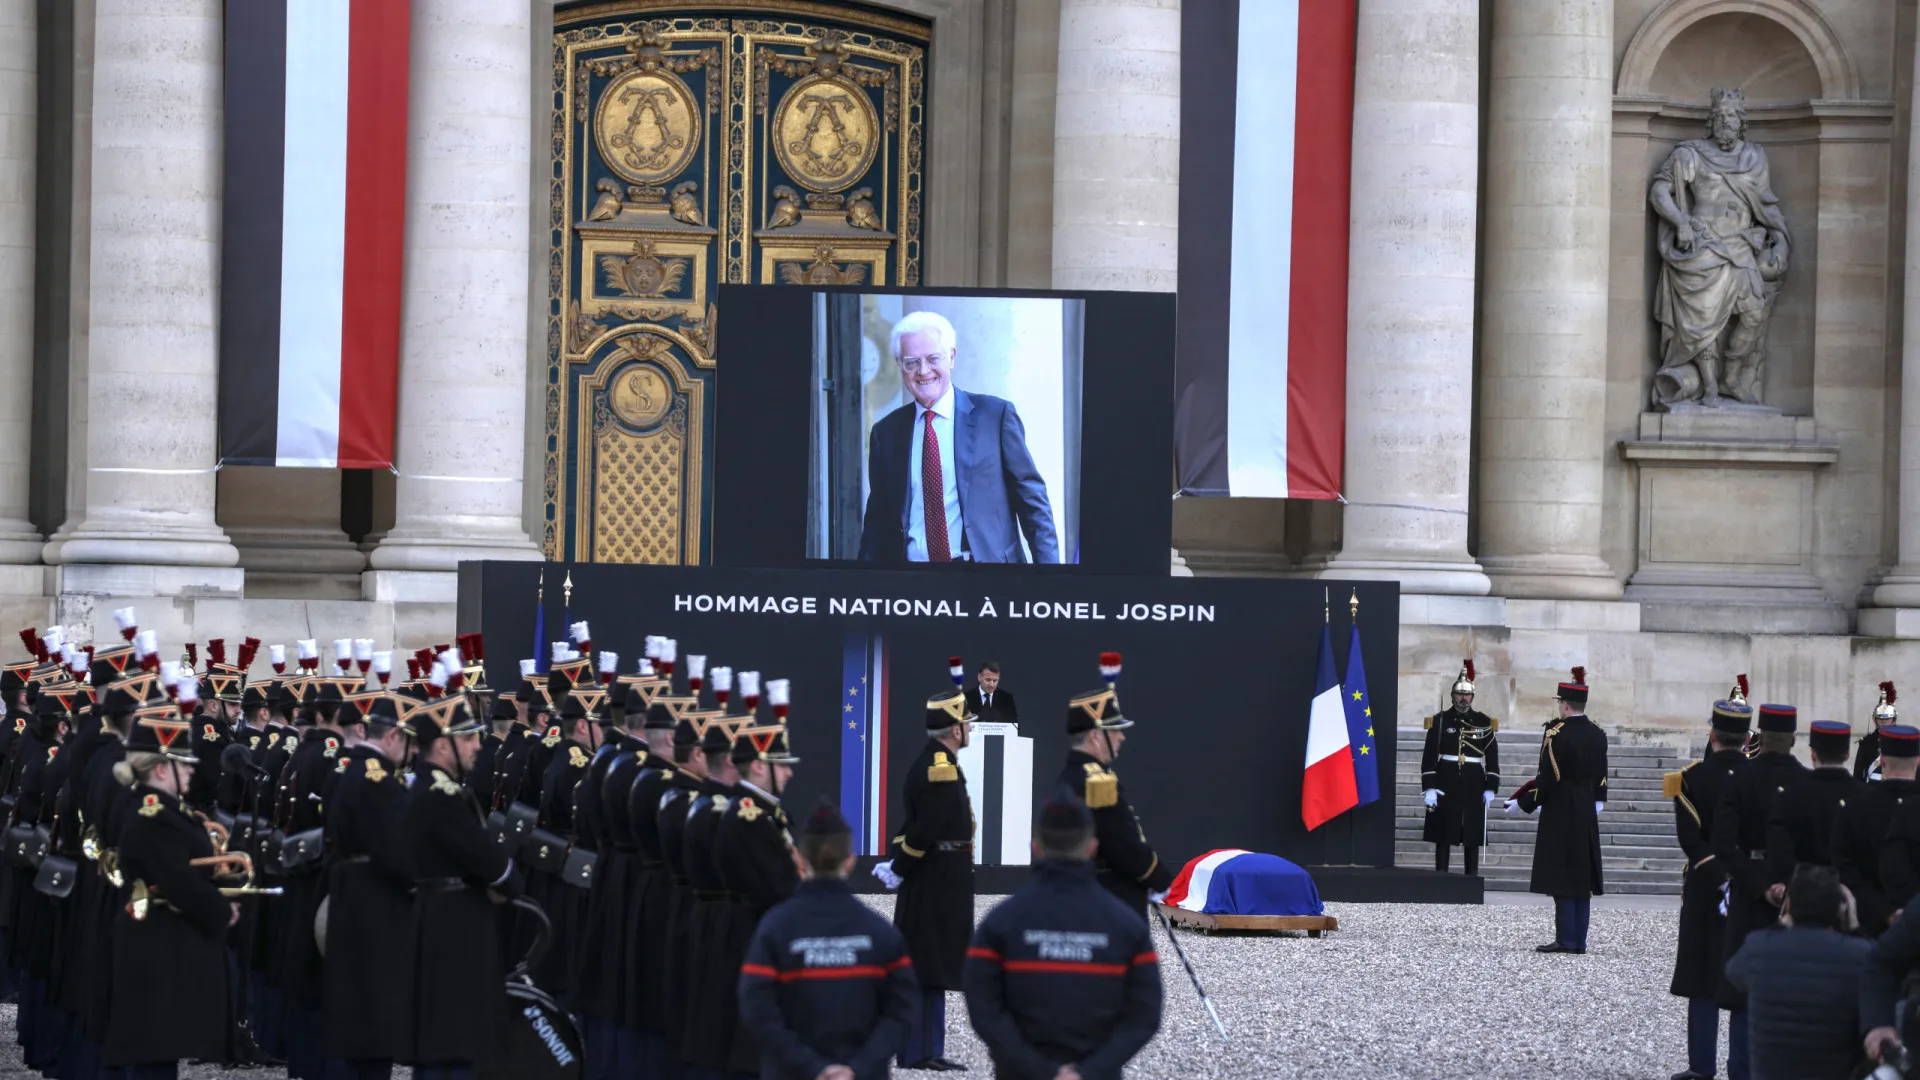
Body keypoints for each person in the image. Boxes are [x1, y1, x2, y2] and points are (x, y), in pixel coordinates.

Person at [963, 791, 1162, 1080]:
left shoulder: (1000, 922)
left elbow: (984, 1007)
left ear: (1036, 848)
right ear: (1092, 848)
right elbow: (1144, 1014)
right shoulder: (1126, 925)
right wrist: (1088, 1071)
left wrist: (1039, 1069)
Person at [856, 309, 1059, 564]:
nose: (923, 371)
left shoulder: (995, 417)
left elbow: (1033, 503)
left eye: (933, 359)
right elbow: (877, 523)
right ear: (900, 366)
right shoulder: (886, 434)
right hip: (914, 585)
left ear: (951, 357)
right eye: (911, 362)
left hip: (988, 579)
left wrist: (1052, 578)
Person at [738, 799, 915, 1080]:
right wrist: (859, 1067)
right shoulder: (880, 933)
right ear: (851, 861)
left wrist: (811, 1066)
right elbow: (903, 1010)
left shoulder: (775, 928)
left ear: (798, 859)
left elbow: (757, 1007)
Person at [105, 709, 238, 1079]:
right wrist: (220, 911)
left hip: (161, 938)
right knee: (154, 1050)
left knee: (158, 1050)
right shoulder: (152, 814)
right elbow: (177, 878)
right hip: (157, 939)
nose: (193, 770)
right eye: (185, 763)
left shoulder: (160, 808)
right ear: (162, 768)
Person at [401, 697, 525, 1080]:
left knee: (444, 1037)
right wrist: (504, 881)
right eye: (468, 738)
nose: (477, 746)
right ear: (443, 745)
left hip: (443, 918)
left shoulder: (431, 788)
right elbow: (494, 867)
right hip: (453, 928)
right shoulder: (442, 796)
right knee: (453, 1040)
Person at [1647, 86, 1790, 407]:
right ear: (1711, 121)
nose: (1727, 121)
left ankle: (1730, 378)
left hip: (1740, 248)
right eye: (1721, 116)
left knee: (1753, 315)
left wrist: (1779, 238)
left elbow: (1766, 205)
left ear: (1742, 122)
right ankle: (1710, 386)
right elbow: (1659, 192)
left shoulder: (1754, 157)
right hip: (1703, 247)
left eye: (1733, 116)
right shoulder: (1690, 154)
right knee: (1703, 323)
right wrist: (1680, 222)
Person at [320, 691, 418, 1080]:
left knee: (362, 1012)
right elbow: (395, 852)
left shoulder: (357, 770)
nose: (411, 754)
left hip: (357, 896)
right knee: (372, 1014)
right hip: (373, 905)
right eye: (409, 742)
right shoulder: (376, 778)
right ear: (393, 735)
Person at [880, 688, 977, 1071]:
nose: (969, 728)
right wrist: (900, 866)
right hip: (937, 877)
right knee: (928, 963)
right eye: (966, 723)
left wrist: (898, 861)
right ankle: (919, 1050)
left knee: (932, 964)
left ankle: (927, 1047)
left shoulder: (940, 762)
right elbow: (928, 825)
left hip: (942, 873)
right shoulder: (940, 766)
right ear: (955, 729)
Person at [1667, 684, 1753, 1080]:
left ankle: (1703, 1067)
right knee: (1744, 983)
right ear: (1748, 737)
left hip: (1704, 889)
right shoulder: (1762, 779)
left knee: (1703, 979)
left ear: (1713, 735)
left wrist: (1720, 879)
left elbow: (1691, 840)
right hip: (1754, 890)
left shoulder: (1691, 778)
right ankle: (1742, 1069)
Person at [713, 705, 804, 1077]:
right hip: (749, 935)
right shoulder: (750, 817)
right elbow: (778, 888)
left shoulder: (761, 812)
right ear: (759, 766)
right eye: (782, 764)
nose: (790, 772)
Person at [1723, 865, 1870, 1080]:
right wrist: (1855, 926)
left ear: (1789, 904)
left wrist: (1782, 922)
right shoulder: (1858, 953)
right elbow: (1882, 975)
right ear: (1841, 907)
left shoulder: (1758, 948)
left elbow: (1733, 974)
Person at [1057, 659, 1173, 922]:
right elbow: (1121, 842)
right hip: (1111, 897)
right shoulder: (1097, 783)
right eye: (1115, 730)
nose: (1122, 737)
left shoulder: (1070, 777)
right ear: (1097, 735)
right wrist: (1158, 878)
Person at [1712, 702, 1808, 1011]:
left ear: (1760, 738)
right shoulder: (1808, 783)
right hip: (1802, 894)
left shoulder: (1739, 779)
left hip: (1750, 886)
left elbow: (1724, 844)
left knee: (1745, 993)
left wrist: (1761, 885)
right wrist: (1790, 885)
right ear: (1793, 741)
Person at [1509, 666, 1608, 954]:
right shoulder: (1597, 734)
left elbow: (1549, 779)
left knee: (1563, 873)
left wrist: (1525, 802)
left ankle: (1566, 938)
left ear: (1564, 704)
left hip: (1562, 807)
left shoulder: (1556, 734)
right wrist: (1599, 799)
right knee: (1582, 875)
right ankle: (1579, 940)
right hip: (1587, 805)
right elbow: (1602, 773)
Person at [1835, 724, 1920, 937]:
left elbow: (1846, 871)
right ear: (1918, 761)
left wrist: (1886, 912)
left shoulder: (1853, 810)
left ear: (1881, 761)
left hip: (1868, 930)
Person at [1419, 660, 1500, 876]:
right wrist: (1429, 787)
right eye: (1460, 695)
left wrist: (1491, 785)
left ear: (1472, 697)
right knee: (1443, 831)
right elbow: (1429, 756)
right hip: (1446, 778)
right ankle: (1441, 876)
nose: (1463, 699)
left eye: (1467, 695)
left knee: (1471, 832)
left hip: (1473, 779)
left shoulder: (1484, 722)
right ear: (1453, 695)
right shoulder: (1440, 721)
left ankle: (1471, 877)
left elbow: (1492, 755)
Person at [1767, 720, 1860, 883]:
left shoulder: (1789, 796)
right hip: (1852, 892)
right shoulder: (1863, 795)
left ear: (1813, 754)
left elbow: (1780, 855)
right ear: (1847, 755)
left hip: (1803, 891)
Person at [1855, 681, 1898, 782]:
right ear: (1875, 719)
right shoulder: (1867, 742)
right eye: (1880, 717)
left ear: (1893, 719)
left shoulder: (1904, 741)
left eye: (1887, 717)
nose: (1883, 720)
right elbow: (1858, 775)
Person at [964, 661, 1018, 728]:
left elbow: (1014, 727)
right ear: (979, 677)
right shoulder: (966, 697)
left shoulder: (1006, 698)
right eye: (988, 680)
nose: (991, 684)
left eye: (995, 681)